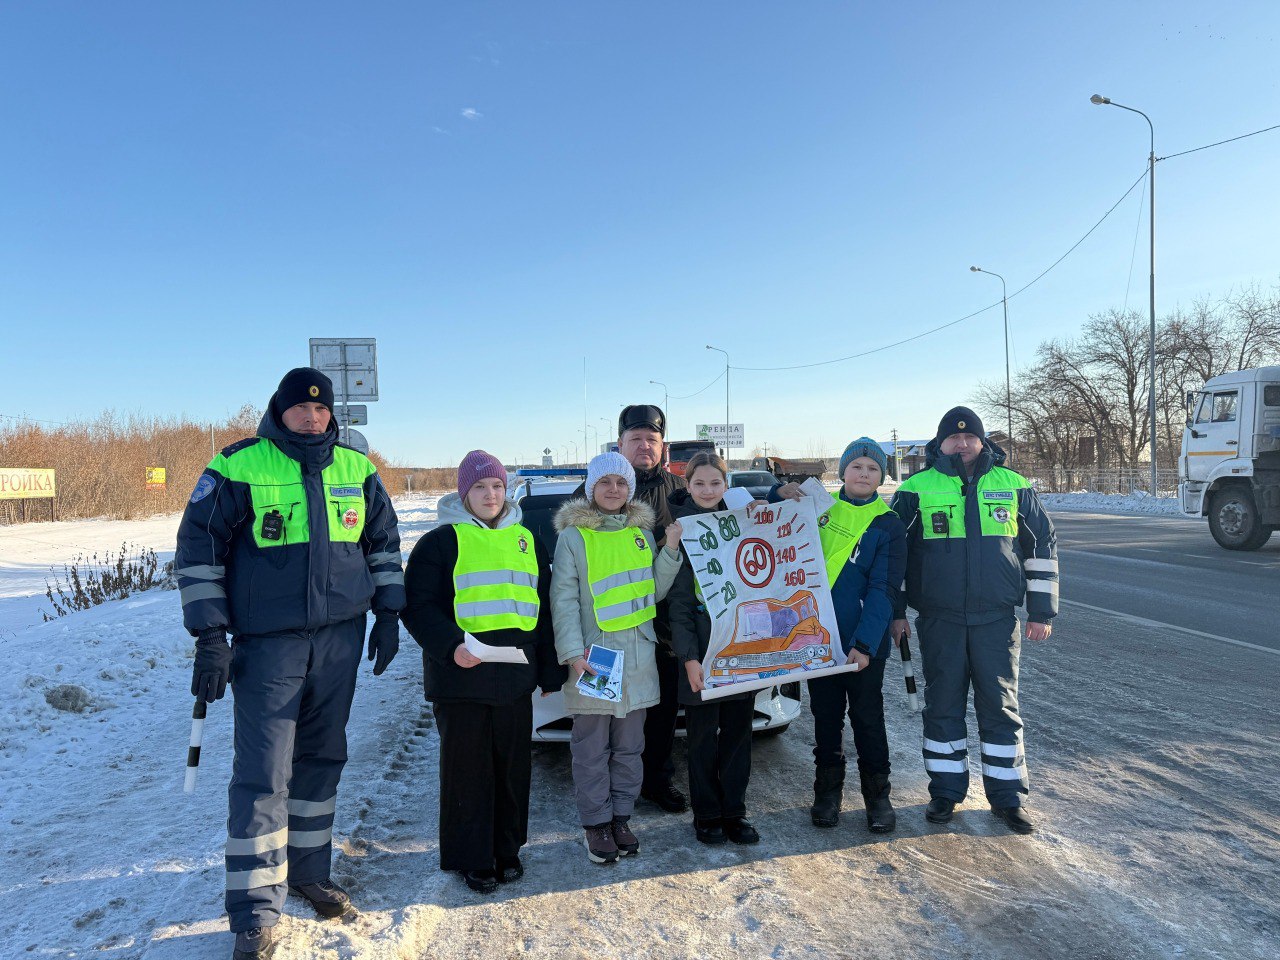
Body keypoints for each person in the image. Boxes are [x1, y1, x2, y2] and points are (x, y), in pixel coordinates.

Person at [175, 367, 404, 960]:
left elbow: (381, 544)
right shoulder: (237, 465)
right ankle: (254, 910)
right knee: (263, 771)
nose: (313, 417)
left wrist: (388, 613)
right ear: (279, 411)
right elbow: (198, 551)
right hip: (269, 643)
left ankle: (308, 870)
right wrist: (210, 636)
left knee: (323, 756)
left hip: (340, 639)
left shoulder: (358, 469)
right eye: (301, 409)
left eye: (322, 409)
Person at [400, 450, 565, 895]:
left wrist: (550, 674)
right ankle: (473, 857)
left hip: (514, 679)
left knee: (512, 769)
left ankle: (508, 849)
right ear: (463, 493)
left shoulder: (528, 537)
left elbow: (542, 608)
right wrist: (451, 647)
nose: (490, 495)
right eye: (479, 487)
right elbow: (417, 606)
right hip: (461, 678)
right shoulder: (440, 542)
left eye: (496, 486)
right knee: (467, 772)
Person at [889, 406, 1059, 835]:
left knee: (1000, 706)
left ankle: (1007, 798)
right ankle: (945, 792)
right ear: (940, 443)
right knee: (943, 705)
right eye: (953, 438)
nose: (962, 444)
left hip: (996, 620)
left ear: (982, 442)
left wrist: (1041, 610)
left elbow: (1041, 546)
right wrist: (896, 611)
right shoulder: (915, 489)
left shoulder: (1015, 486)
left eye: (970, 437)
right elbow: (894, 556)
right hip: (940, 620)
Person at [552, 452, 682, 863]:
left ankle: (621, 818)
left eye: (621, 483)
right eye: (605, 482)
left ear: (630, 489)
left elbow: (653, 593)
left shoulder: (640, 534)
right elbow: (564, 600)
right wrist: (573, 653)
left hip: (639, 656)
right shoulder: (574, 536)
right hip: (596, 657)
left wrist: (671, 552)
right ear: (592, 488)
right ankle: (596, 824)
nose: (613, 490)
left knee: (630, 747)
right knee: (591, 748)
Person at [573, 404, 688, 814]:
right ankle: (603, 798)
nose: (643, 445)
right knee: (602, 718)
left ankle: (654, 782)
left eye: (651, 439)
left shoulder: (681, 490)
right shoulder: (595, 491)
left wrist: (780, 495)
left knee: (656, 714)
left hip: (666, 627)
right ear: (620, 443)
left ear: (663, 446)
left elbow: (724, 512)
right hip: (607, 632)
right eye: (635, 438)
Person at [806, 438, 907, 833]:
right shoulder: (817, 510)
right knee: (826, 719)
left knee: (868, 719)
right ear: (842, 472)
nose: (864, 474)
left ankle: (877, 796)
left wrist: (864, 645)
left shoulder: (888, 524)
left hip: (864, 644)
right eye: (856, 467)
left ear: (882, 476)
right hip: (816, 638)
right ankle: (827, 793)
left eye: (872, 469)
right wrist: (781, 491)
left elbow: (884, 588)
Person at [666, 451, 761, 845]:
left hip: (742, 651)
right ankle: (706, 813)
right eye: (699, 483)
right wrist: (689, 658)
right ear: (687, 486)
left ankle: (734, 812)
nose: (707, 490)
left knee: (738, 735)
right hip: (701, 655)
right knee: (702, 739)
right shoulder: (681, 531)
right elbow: (680, 605)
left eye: (715, 483)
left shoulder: (741, 521)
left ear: (727, 486)